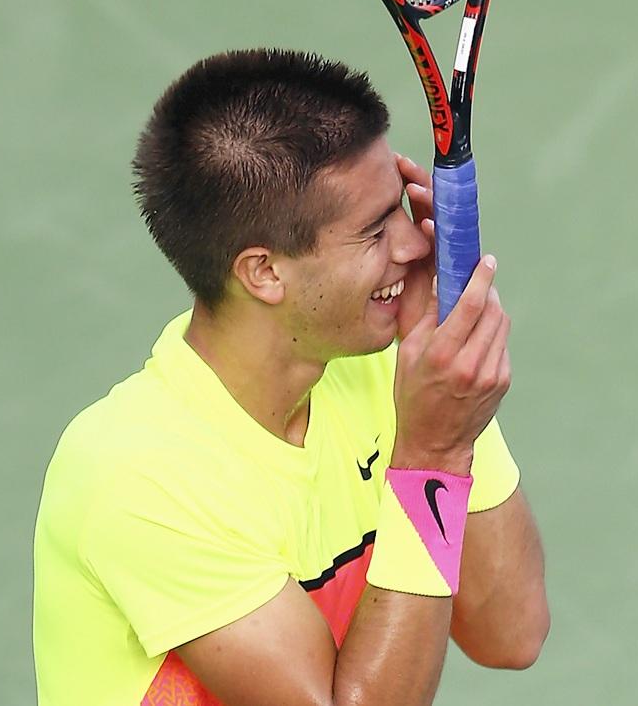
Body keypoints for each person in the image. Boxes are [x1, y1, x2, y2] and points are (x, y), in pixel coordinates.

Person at [33, 48, 549, 706]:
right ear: (265, 273)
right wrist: (434, 452)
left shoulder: (397, 377)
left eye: (401, 206)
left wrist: (453, 410)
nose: (417, 246)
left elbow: (512, 635)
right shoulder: (136, 474)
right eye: (374, 231)